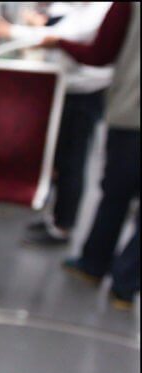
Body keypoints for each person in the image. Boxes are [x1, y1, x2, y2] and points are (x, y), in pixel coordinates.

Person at [0, 3, 114, 246]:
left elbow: (66, 37)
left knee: (72, 161)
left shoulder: (102, 8)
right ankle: (56, 217)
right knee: (62, 159)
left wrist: (13, 31)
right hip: (72, 87)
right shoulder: (84, 8)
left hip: (84, 92)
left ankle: (63, 225)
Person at [42, 2, 140, 309]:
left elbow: (101, 54)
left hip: (131, 116)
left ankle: (94, 264)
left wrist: (58, 41)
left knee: (115, 194)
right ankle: (125, 286)